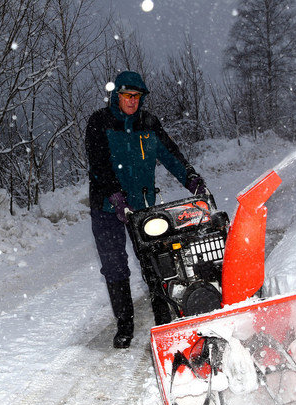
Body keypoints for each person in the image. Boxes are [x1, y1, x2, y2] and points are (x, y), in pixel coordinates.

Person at [85, 70, 207, 349]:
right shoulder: (99, 122)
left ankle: (164, 320)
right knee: (115, 266)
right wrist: (115, 195)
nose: (133, 101)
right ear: (116, 95)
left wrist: (191, 179)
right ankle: (125, 325)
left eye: (137, 97)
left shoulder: (149, 123)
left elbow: (170, 154)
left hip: (140, 207)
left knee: (155, 263)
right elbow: (99, 163)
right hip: (107, 207)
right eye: (127, 95)